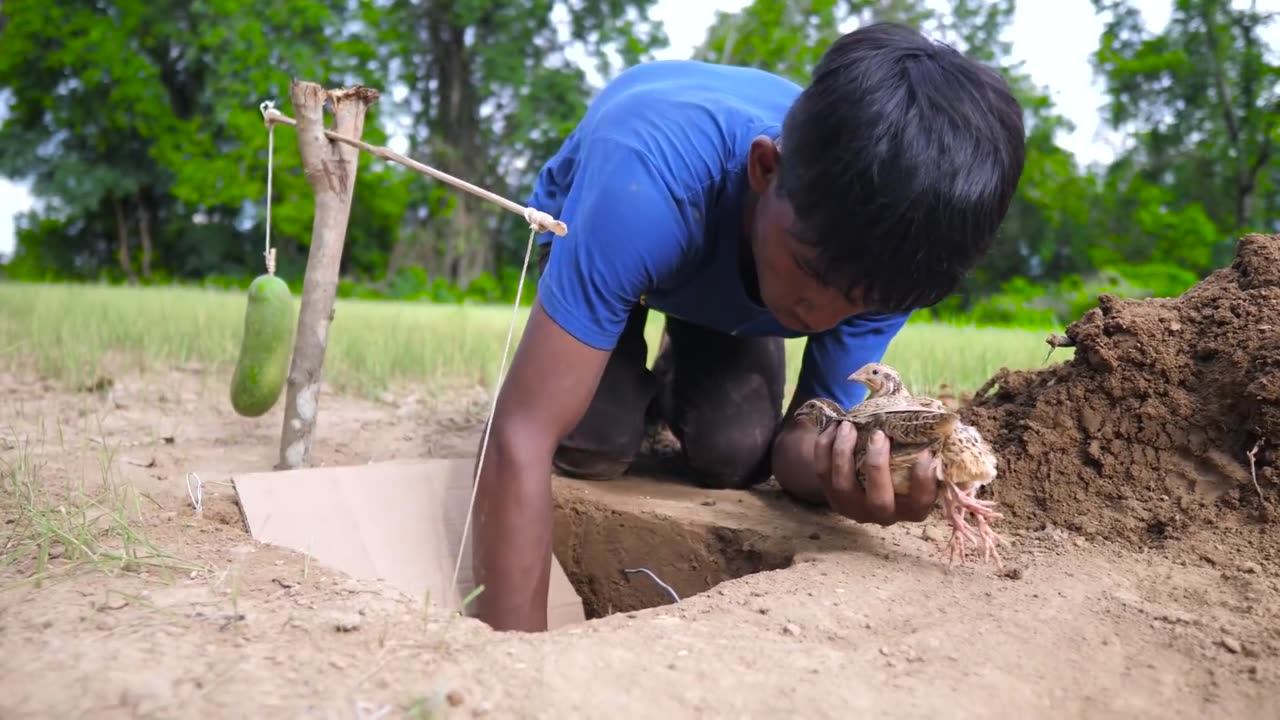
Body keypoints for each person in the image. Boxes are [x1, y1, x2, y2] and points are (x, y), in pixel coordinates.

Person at [470, 22, 1026, 632]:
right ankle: (619, 347)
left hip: (737, 264)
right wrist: (515, 658)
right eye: (811, 273)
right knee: (591, 441)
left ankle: (683, 362)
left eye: (860, 303)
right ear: (764, 169)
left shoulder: (888, 250)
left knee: (736, 453)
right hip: (607, 218)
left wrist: (843, 471)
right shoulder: (645, 185)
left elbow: (799, 441)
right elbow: (520, 435)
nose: (822, 316)